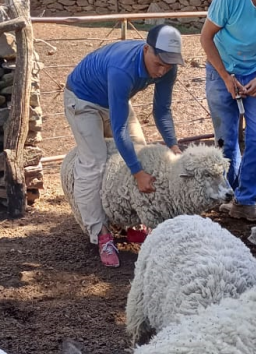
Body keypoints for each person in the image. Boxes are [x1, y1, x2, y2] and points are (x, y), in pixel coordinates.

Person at [64, 24, 185, 268]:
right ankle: (101, 234)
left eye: (169, 64)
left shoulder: (167, 68)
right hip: (83, 100)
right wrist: (137, 173)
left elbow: (162, 111)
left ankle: (132, 222)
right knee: (95, 161)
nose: (162, 70)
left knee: (140, 151)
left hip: (115, 100)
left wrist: (173, 146)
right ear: (147, 49)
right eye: (159, 62)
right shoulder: (123, 68)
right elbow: (119, 129)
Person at [200, 0, 256, 221]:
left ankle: (246, 201)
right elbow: (205, 38)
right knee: (226, 141)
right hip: (222, 70)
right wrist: (225, 77)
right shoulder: (228, 2)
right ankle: (230, 195)